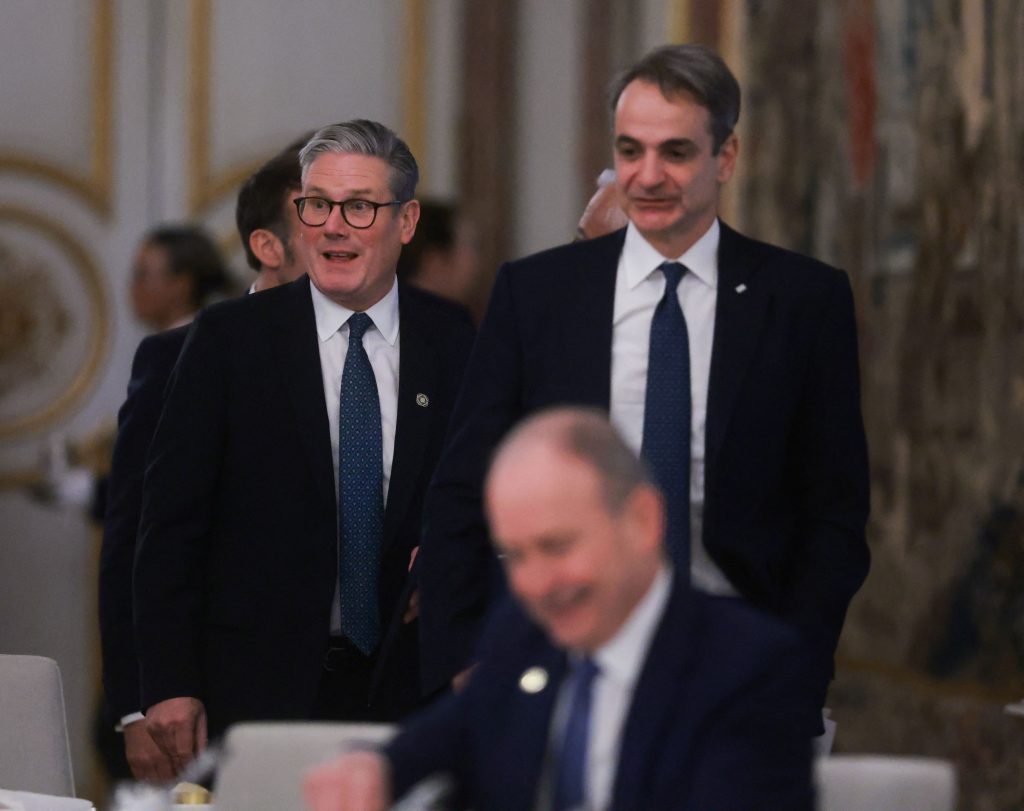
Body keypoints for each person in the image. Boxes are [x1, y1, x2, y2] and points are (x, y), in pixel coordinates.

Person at [417, 43, 870, 721]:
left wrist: (795, 667)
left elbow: (833, 511)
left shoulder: (803, 300)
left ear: (726, 157)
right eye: (630, 151)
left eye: (676, 153)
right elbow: (463, 486)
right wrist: (464, 660)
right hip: (554, 657)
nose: (648, 176)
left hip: (737, 665)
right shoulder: (537, 295)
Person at [131, 119, 475, 775]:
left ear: (406, 222)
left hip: (412, 688)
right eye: (317, 205)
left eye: (359, 207)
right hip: (256, 685)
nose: (333, 227)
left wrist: (458, 557)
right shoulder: (230, 339)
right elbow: (170, 524)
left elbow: (482, 488)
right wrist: (168, 682)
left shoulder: (453, 336)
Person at [306, 408, 816, 811]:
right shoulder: (523, 634)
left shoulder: (751, 669)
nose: (536, 584)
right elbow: (450, 734)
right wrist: (375, 769)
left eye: (557, 546)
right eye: (516, 555)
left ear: (642, 520)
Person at [98, 142, 311, 781]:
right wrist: (136, 706)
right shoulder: (176, 357)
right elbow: (134, 539)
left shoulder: (394, 351)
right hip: (224, 693)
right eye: (319, 214)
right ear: (268, 245)